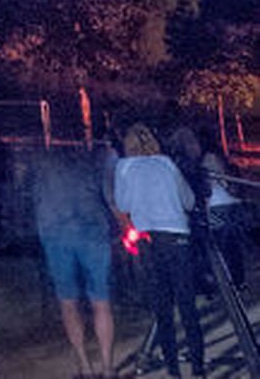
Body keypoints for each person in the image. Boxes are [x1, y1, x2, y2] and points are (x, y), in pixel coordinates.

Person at [115, 123, 203, 378]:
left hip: (149, 240)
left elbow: (123, 203)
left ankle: (173, 370)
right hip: (177, 237)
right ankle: (197, 369)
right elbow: (189, 200)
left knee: (163, 309)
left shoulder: (124, 167)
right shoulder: (166, 163)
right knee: (187, 306)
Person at [32, 147, 116, 379]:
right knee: (101, 302)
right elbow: (108, 195)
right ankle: (108, 368)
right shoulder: (92, 160)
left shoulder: (44, 163)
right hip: (93, 230)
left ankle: (85, 366)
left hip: (57, 233)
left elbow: (34, 197)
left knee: (68, 302)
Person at [202, 135, 248, 292]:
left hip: (217, 204)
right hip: (230, 202)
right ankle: (239, 280)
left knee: (223, 245)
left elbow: (210, 185)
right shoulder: (221, 157)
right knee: (232, 245)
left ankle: (230, 282)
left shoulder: (206, 159)